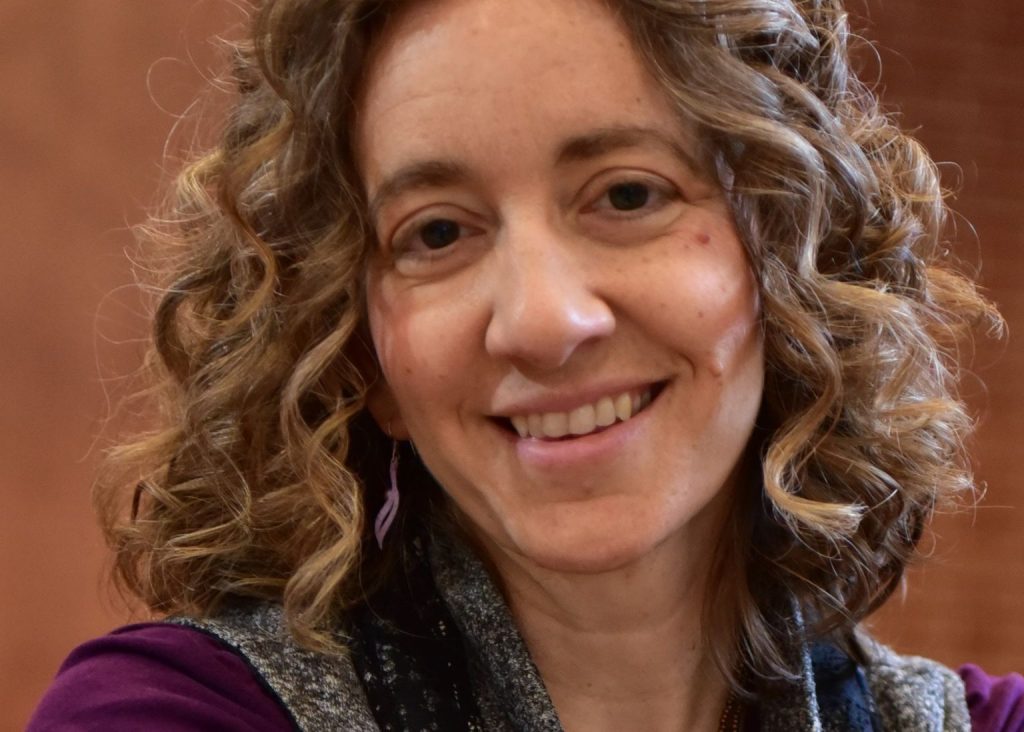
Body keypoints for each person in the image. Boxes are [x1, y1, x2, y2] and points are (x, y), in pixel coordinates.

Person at [29, 0, 1024, 730]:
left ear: (794, 258)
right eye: (437, 232)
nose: (544, 322)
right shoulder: (168, 714)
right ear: (359, 354)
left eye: (627, 195)